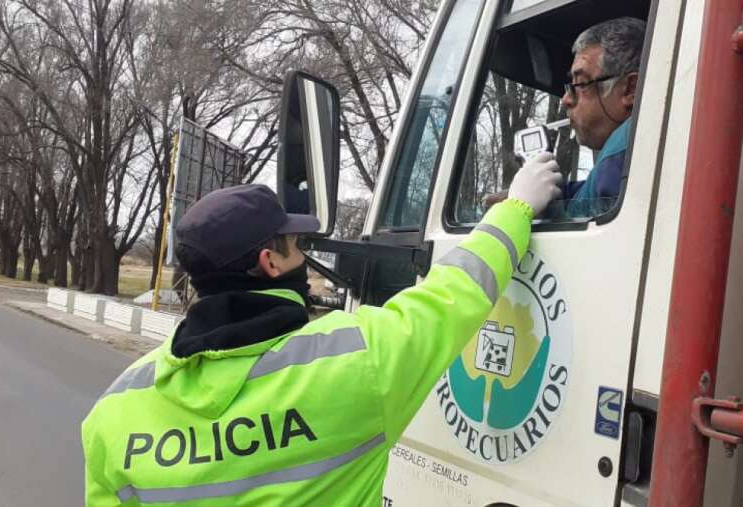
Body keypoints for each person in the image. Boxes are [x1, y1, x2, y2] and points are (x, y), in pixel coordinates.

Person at [81, 154, 562, 506]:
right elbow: (457, 291)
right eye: (296, 246)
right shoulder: (358, 361)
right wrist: (516, 207)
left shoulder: (114, 411)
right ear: (271, 264)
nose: (304, 258)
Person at [559, 16, 645, 218]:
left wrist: (519, 208)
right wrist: (555, 195)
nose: (565, 99)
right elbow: (587, 192)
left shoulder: (620, 157)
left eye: (580, 84)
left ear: (630, 90)